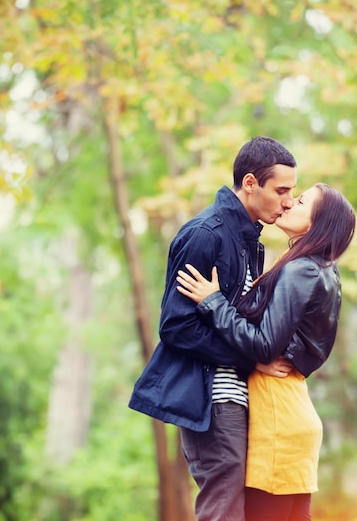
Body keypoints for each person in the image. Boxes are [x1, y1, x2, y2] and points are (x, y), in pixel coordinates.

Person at [128, 136, 297, 521]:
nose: (288, 201)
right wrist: (251, 361)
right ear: (251, 183)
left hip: (238, 396)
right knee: (224, 508)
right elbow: (176, 326)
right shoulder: (206, 233)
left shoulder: (249, 240)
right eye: (282, 190)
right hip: (210, 398)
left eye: (293, 192)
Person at [176, 183, 356, 521]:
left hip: (277, 423)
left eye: (301, 201)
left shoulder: (301, 269)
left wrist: (213, 302)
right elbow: (305, 352)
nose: (289, 203)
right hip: (293, 414)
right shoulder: (325, 272)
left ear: (320, 222)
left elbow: (264, 344)